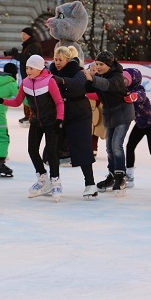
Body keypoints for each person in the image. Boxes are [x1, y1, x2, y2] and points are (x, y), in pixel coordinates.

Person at [0, 55, 65, 201]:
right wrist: (1, 100)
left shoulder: (49, 81)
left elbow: (59, 102)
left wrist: (59, 119)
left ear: (39, 68)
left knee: (52, 152)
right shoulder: (26, 83)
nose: (27, 70)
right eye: (27, 68)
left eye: (31, 68)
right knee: (32, 150)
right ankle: (42, 178)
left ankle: (55, 182)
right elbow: (17, 102)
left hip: (51, 121)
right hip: (36, 122)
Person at [49, 46, 98, 199]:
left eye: (60, 60)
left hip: (79, 113)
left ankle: (90, 184)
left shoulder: (79, 71)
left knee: (82, 147)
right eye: (55, 59)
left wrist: (61, 80)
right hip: (60, 113)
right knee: (52, 147)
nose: (57, 63)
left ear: (68, 60)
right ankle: (52, 182)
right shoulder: (51, 72)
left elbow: (77, 83)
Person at [84, 51, 135, 196]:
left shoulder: (117, 77)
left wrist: (92, 78)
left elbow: (107, 85)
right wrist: (83, 78)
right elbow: (88, 88)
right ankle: (112, 176)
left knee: (116, 146)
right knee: (109, 148)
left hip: (123, 114)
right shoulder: (99, 77)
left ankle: (121, 177)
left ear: (109, 65)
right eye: (97, 64)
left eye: (101, 65)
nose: (98, 67)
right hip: (109, 114)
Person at [122, 67, 151, 188]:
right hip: (140, 124)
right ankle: (129, 176)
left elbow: (140, 96)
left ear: (132, 79)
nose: (123, 80)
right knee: (130, 146)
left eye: (125, 79)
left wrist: (133, 97)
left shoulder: (138, 88)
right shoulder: (123, 89)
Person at [5, 27, 42, 126]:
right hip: (27, 76)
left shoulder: (33, 46)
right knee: (27, 95)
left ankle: (32, 116)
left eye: (24, 34)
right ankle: (28, 115)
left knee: (31, 96)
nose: (22, 36)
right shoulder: (28, 45)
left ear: (29, 35)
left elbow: (28, 59)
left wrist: (16, 55)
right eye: (21, 34)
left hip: (33, 77)